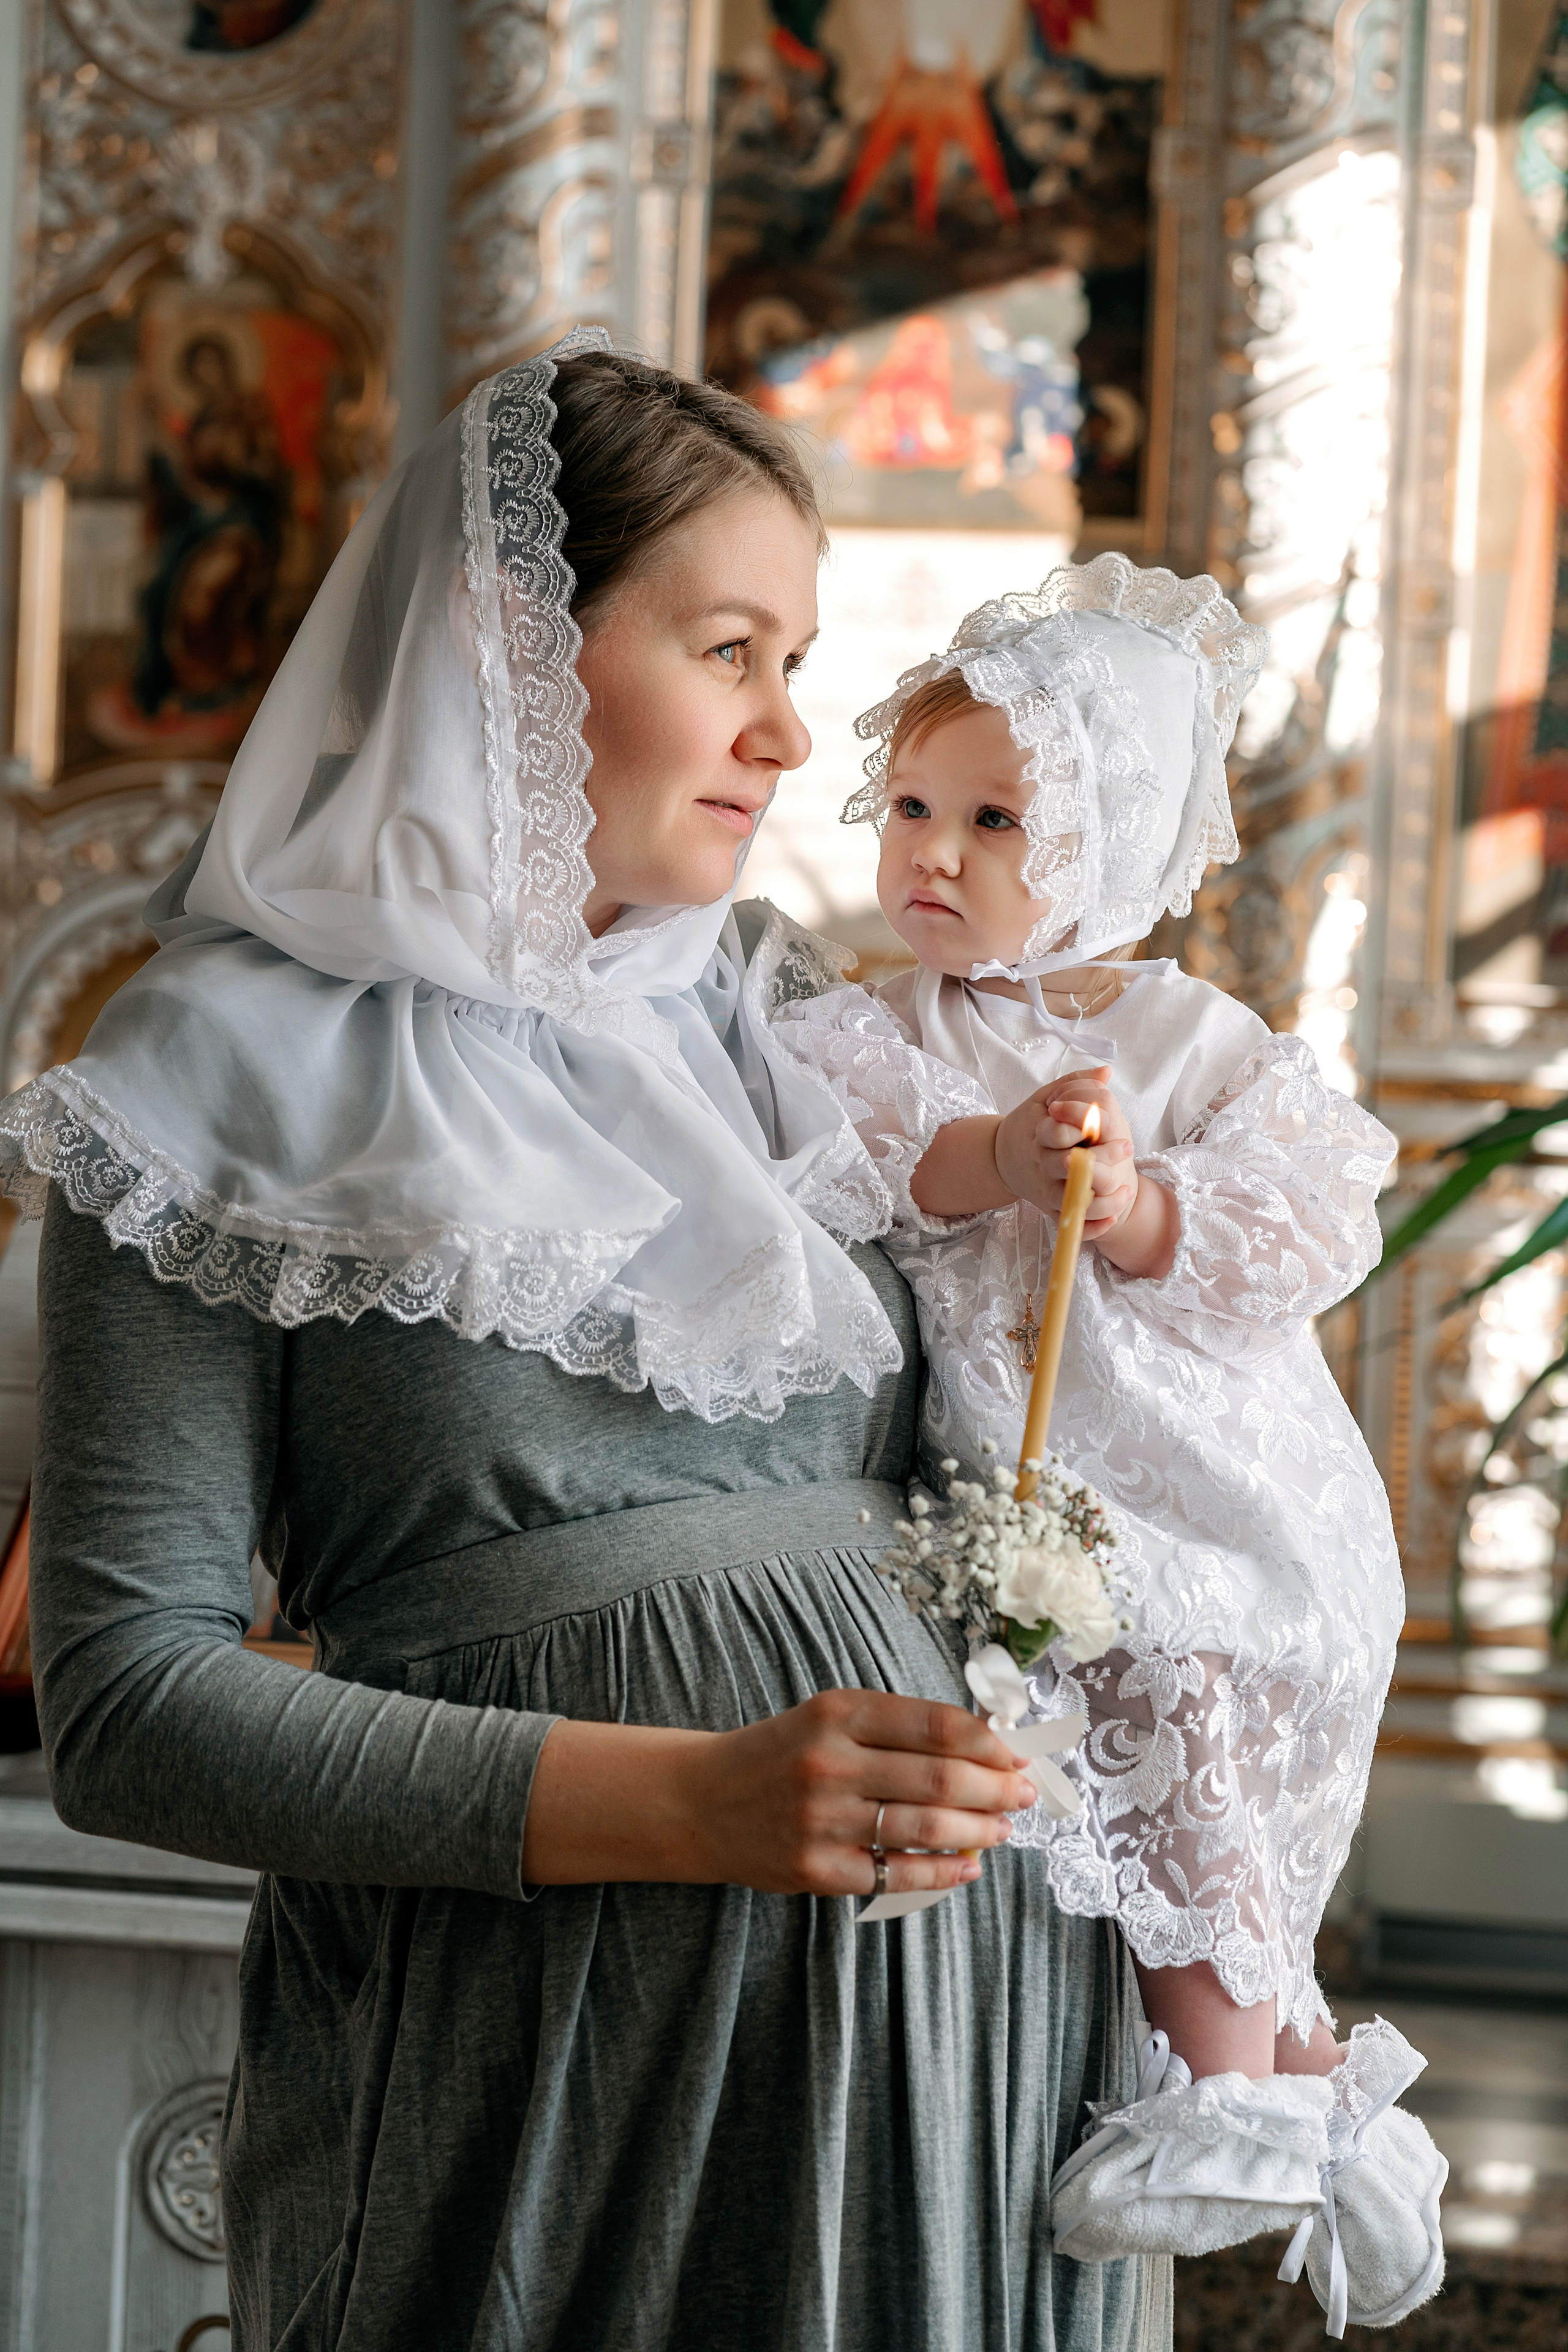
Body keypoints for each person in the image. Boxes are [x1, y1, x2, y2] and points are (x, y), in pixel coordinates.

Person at [1, 339, 1173, 2352]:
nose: (792, 737)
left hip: (971, 2048)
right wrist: (699, 1805)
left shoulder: (802, 1033)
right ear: (510, 654)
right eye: (732, 650)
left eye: (797, 664)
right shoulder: (192, 1081)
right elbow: (123, 1705)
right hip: (543, 2077)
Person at [767, 559, 1447, 2335]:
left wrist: (1140, 1203)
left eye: (998, 818)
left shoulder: (1192, 1036)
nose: (935, 850)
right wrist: (1002, 1158)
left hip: (1203, 1438)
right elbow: (862, 1163)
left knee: (1234, 1659)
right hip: (1050, 1463)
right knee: (1147, 1657)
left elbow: (1307, 1220)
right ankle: (1235, 2063)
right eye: (914, 804)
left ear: (1122, 842)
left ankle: (1294, 2074)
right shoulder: (877, 1026)